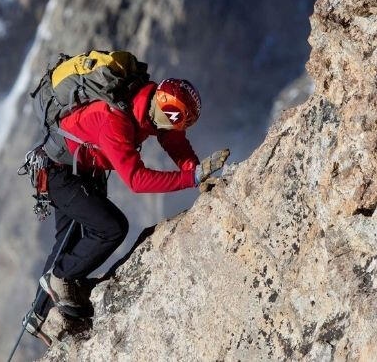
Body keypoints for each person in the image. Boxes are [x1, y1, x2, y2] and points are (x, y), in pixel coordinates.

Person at [26, 78, 229, 340]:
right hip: (60, 173)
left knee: (70, 241)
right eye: (178, 120)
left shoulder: (148, 105)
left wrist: (194, 170)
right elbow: (137, 180)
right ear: (166, 110)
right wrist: (191, 178)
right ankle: (62, 280)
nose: (178, 128)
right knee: (110, 228)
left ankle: (40, 316)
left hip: (72, 167)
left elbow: (172, 140)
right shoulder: (115, 119)